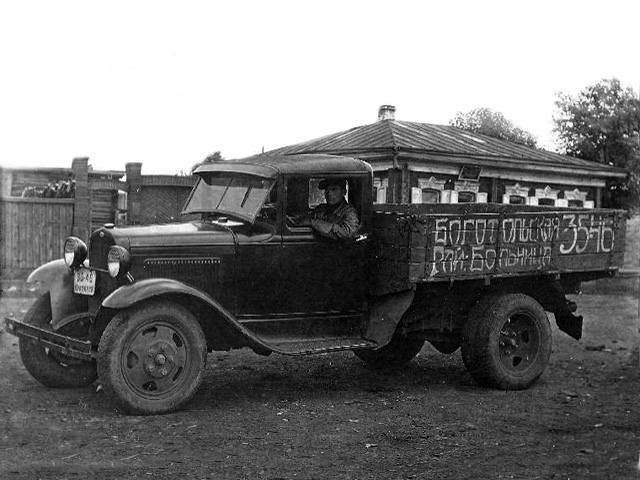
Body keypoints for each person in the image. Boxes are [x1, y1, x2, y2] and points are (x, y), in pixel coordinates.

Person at [289, 178, 360, 240]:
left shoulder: (349, 213)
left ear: (344, 192)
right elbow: (304, 220)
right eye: (327, 189)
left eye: (334, 189)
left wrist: (314, 223)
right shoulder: (321, 208)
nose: (329, 193)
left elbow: (347, 235)